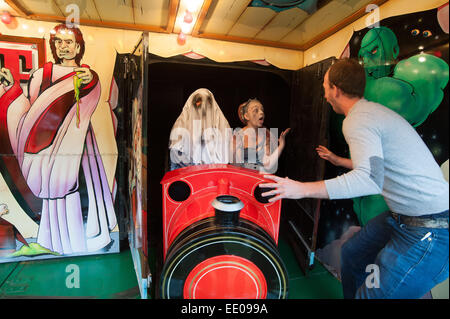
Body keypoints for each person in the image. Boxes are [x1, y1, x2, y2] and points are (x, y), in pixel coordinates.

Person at [260, 58, 449, 299]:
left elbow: (369, 180)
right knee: (352, 253)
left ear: (336, 90)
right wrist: (339, 161)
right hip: (402, 217)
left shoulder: (357, 119)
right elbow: (377, 166)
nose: (325, 94)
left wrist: (300, 189)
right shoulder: (371, 113)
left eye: (325, 86)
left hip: (431, 228)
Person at [0, 24, 117, 255]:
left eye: (69, 42)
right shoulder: (41, 75)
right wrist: (12, 88)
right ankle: (52, 243)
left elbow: (91, 98)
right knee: (54, 193)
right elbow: (29, 114)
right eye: (59, 42)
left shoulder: (85, 72)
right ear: (54, 46)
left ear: (78, 46)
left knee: (77, 189)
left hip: (78, 144)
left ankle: (86, 240)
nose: (64, 47)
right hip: (47, 148)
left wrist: (90, 81)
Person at [169, 88, 231, 170]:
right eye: (198, 102)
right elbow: (176, 156)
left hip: (215, 177)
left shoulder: (222, 126)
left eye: (207, 103)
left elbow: (226, 157)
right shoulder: (181, 127)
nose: (203, 107)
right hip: (187, 176)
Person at [232, 98, 290, 173]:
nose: (261, 112)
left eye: (262, 110)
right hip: (245, 177)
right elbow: (236, 167)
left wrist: (281, 145)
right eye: (256, 110)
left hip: (260, 178)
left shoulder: (266, 134)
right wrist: (234, 152)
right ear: (246, 116)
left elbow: (268, 164)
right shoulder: (239, 135)